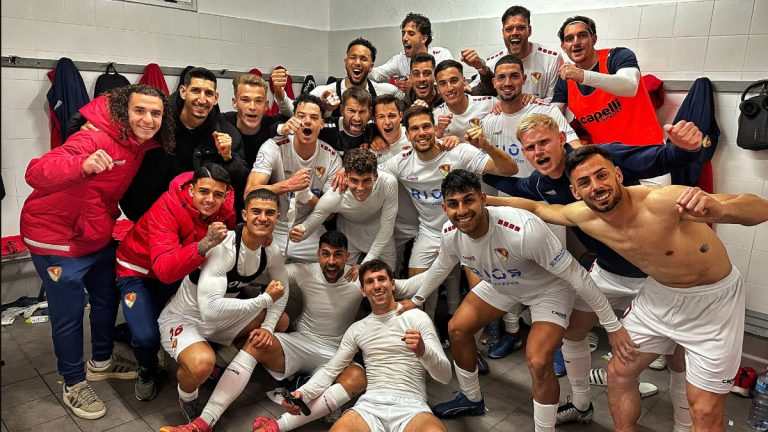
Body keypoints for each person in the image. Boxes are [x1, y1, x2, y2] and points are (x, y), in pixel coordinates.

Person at [494, 144, 768, 432]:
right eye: (585, 182)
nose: (596, 186)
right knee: (618, 373)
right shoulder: (583, 216)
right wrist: (481, 199)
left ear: (618, 175)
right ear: (575, 192)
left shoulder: (662, 201)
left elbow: (760, 209)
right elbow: (535, 207)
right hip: (660, 294)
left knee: (705, 410)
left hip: (714, 303)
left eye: (601, 176)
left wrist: (721, 208)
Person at [484, 113, 706, 428]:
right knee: (573, 331)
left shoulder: (600, 159)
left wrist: (688, 148)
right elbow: (516, 186)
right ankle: (581, 403)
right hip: (608, 271)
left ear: (561, 139)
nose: (539, 152)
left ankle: (683, 425)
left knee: (678, 354)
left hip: (657, 275)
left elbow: (662, 158)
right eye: (530, 147)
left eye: (544, 142)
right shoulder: (540, 183)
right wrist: (471, 173)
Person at [396, 170, 635, 432]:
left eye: (469, 200)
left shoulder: (523, 229)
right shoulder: (450, 231)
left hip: (548, 290)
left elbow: (578, 276)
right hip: (503, 285)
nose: (462, 210)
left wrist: (612, 325)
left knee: (538, 361)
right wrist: (417, 300)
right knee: (457, 328)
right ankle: (472, 398)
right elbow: (441, 268)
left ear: (483, 199)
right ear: (444, 207)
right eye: (453, 204)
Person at [20, 84, 174, 420]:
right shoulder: (92, 138)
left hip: (94, 232)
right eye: (139, 111)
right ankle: (73, 382)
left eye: (155, 113)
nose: (147, 119)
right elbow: (34, 172)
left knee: (107, 295)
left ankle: (101, 362)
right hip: (56, 237)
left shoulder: (140, 144)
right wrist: (82, 165)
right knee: (69, 312)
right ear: (123, 112)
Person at [253, 259, 452, 432]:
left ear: (392, 284)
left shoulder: (417, 317)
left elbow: (445, 376)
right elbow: (331, 370)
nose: (377, 286)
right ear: (363, 290)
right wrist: (302, 394)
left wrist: (423, 351)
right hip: (371, 405)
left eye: (382, 279)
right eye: (369, 282)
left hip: (412, 405)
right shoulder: (358, 329)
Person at [474, 54, 579, 360]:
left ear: (524, 79)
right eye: (501, 77)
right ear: (494, 83)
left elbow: (573, 148)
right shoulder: (489, 122)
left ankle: (556, 343)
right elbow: (488, 170)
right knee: (509, 271)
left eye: (513, 76)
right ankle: (512, 332)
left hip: (546, 205)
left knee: (555, 272)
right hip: (507, 206)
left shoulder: (544, 112)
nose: (507, 83)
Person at [157, 188, 291, 429]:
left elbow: (283, 290)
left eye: (270, 213)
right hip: (186, 318)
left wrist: (268, 328)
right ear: (244, 214)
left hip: (221, 319)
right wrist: (264, 299)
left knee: (279, 321)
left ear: (277, 218)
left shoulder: (270, 251)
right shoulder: (225, 247)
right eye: (256, 211)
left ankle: (220, 359)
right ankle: (189, 397)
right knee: (200, 365)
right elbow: (209, 309)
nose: (262, 218)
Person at [381, 105, 517, 322]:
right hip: (430, 233)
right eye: (414, 129)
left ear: (436, 129)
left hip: (468, 230)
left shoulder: (458, 152)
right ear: (407, 135)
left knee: (482, 291)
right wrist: (344, 170)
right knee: (413, 292)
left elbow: (509, 169)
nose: (421, 132)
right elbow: (368, 175)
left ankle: (492, 328)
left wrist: (487, 146)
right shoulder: (400, 163)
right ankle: (428, 337)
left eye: (426, 126)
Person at [115, 165, 236, 401]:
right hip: (138, 271)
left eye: (218, 195)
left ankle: (199, 355)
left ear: (226, 194)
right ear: (191, 190)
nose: (210, 200)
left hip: (183, 267)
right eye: (204, 191)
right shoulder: (167, 206)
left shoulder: (225, 208)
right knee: (146, 337)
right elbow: (165, 271)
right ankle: (147, 369)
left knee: (209, 309)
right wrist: (203, 245)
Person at [236, 231, 371, 431]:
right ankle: (206, 418)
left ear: (347, 256)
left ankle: (277, 425)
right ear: (318, 255)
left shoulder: (360, 277)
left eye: (338, 254)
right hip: (300, 343)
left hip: (334, 354)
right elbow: (261, 275)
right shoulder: (304, 270)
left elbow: (395, 287)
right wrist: (262, 248)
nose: (331, 261)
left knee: (358, 378)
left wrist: (411, 303)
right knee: (256, 341)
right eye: (326, 254)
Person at [245, 93, 342, 262]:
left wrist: (308, 196)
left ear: (322, 123)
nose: (307, 121)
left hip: (309, 227)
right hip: (272, 225)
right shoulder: (273, 146)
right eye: (301, 116)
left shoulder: (332, 157)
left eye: (314, 117)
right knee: (251, 267)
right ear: (293, 120)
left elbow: (329, 215)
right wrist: (288, 185)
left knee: (331, 263)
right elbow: (249, 193)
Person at [552, 15, 663, 146]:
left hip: (648, 149)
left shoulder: (617, 56)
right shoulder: (565, 80)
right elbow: (552, 115)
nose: (576, 42)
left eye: (582, 36)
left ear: (593, 39)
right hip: (608, 158)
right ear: (563, 47)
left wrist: (583, 76)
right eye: (569, 39)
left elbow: (630, 86)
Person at [290, 149, 398, 272]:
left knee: (387, 280)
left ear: (376, 176)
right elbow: (309, 225)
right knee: (345, 283)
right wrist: (299, 233)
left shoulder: (388, 183)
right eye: (354, 181)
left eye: (366, 180)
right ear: (345, 177)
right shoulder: (335, 195)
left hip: (381, 236)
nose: (360, 188)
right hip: (349, 238)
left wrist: (365, 264)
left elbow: (387, 227)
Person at [463, 5, 563, 102]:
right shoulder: (492, 62)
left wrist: (534, 103)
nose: (515, 33)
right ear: (503, 33)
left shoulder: (552, 59)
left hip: (539, 117)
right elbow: (474, 93)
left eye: (521, 28)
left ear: (529, 30)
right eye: (509, 29)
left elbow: (556, 100)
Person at [371, 95, 420, 275]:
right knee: (392, 271)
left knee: (425, 273)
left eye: (391, 115)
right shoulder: (373, 148)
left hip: (423, 220)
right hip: (393, 224)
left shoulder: (415, 137)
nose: (387, 122)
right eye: (381, 117)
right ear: (374, 120)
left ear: (401, 116)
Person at [310, 38, 404, 117]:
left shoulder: (387, 91)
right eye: (353, 57)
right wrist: (327, 110)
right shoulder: (322, 93)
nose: (357, 62)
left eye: (363, 59)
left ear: (371, 66)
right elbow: (300, 115)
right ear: (345, 62)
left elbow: (408, 108)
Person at [222, 72, 293, 169]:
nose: (252, 107)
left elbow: (301, 114)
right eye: (245, 100)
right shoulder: (222, 123)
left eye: (258, 101)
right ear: (235, 103)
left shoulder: (273, 124)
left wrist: (280, 96)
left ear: (266, 105)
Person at [368, 13, 453, 90]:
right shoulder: (400, 60)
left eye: (411, 34)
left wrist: (415, 85)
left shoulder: (441, 55)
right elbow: (376, 75)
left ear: (423, 38)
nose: (404, 38)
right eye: (403, 33)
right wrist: (360, 63)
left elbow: (449, 84)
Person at [433, 60, 497, 140]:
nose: (449, 88)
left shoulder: (490, 103)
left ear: (464, 82)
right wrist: (439, 133)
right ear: (438, 89)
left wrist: (504, 105)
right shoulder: (434, 115)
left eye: (453, 81)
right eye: (443, 83)